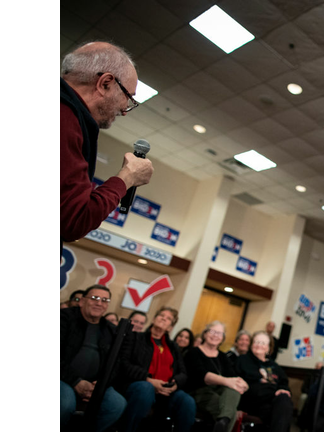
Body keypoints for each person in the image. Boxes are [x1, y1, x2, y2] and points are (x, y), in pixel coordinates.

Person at [60, 41, 154, 249]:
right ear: (105, 83)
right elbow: (73, 222)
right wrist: (127, 177)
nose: (124, 110)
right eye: (128, 97)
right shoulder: (64, 118)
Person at [117, 307, 196, 432]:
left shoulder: (173, 346)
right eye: (161, 315)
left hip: (166, 390)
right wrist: (149, 380)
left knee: (187, 401)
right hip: (140, 384)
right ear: (154, 319)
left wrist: (175, 385)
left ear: (170, 327)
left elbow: (183, 373)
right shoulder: (136, 338)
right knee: (145, 388)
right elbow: (124, 364)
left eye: (169, 318)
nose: (164, 318)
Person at [60, 285, 127, 432]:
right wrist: (76, 381)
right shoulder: (64, 318)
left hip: (95, 384)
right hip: (63, 378)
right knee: (65, 404)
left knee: (117, 404)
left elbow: (116, 362)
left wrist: (101, 384)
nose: (99, 303)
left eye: (104, 300)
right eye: (95, 298)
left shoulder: (110, 330)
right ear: (82, 301)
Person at [185, 321, 248, 432]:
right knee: (230, 411)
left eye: (219, 333)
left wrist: (243, 385)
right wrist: (228, 381)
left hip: (220, 393)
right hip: (200, 392)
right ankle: (223, 421)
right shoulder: (193, 352)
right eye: (212, 331)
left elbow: (233, 377)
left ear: (222, 338)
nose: (215, 335)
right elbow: (203, 376)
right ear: (205, 334)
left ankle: (222, 422)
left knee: (233, 391)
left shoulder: (223, 356)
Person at [235, 331, 293, 432]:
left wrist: (283, 389)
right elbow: (235, 382)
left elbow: (284, 383)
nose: (259, 345)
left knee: (284, 400)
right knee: (280, 413)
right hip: (251, 401)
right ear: (252, 344)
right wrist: (236, 407)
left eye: (263, 343)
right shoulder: (242, 360)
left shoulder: (274, 366)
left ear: (269, 348)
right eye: (256, 342)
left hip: (272, 402)